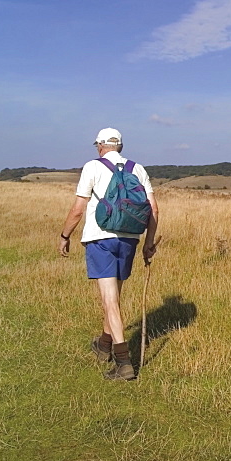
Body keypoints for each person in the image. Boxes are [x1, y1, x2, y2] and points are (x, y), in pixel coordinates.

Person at [58, 128, 159, 380]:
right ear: (121, 147)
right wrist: (148, 244)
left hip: (100, 239)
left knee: (109, 301)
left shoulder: (92, 167)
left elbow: (79, 209)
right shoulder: (138, 169)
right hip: (129, 239)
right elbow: (153, 210)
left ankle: (124, 363)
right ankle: (104, 346)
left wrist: (64, 236)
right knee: (114, 298)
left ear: (100, 146)